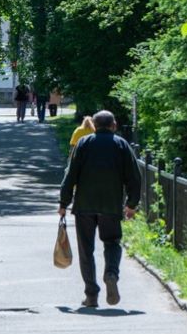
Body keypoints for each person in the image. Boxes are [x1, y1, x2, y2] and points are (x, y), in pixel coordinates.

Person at [58, 110, 141, 307]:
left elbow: (71, 175)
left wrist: (63, 203)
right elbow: (134, 177)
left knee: (86, 249)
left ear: (94, 126)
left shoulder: (83, 144)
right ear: (114, 125)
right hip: (111, 205)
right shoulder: (122, 145)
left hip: (84, 205)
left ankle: (91, 295)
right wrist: (131, 204)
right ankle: (111, 273)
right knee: (112, 242)